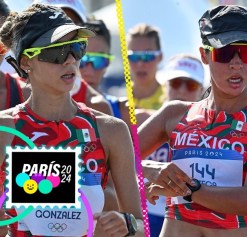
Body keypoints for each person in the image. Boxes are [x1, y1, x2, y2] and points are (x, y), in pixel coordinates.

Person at [138, 5, 247, 237]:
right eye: (225, 53)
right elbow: (114, 159)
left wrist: (185, 188)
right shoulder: (174, 114)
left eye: (246, 53)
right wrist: (152, 169)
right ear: (204, 55)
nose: (236, 64)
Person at [0, 4, 143, 236]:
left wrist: (128, 224)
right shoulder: (5, 128)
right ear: (26, 62)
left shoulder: (111, 130)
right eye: (55, 52)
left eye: (76, 48)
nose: (69, 60)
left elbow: (140, 224)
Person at [140, 54, 205, 237]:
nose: (182, 91)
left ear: (201, 90)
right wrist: (146, 168)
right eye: (176, 83)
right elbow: (112, 161)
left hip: (187, 219)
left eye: (190, 85)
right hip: (147, 214)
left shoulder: (213, 133)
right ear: (165, 86)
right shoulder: (141, 119)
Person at [127, 23, 165, 110]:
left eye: (148, 56)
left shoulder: (170, 99)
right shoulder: (116, 98)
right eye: (134, 56)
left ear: (160, 57)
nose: (140, 63)